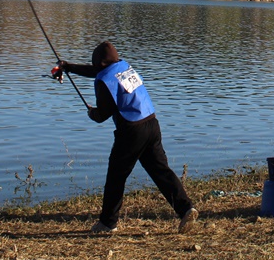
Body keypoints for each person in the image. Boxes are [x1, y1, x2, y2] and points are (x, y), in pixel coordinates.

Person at [57, 41, 198, 234]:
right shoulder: (123, 66)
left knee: (116, 176)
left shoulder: (104, 81)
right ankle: (186, 209)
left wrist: (92, 113)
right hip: (151, 123)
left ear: (100, 62)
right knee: (161, 171)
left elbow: (103, 114)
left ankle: (107, 223)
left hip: (132, 131)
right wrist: (68, 67)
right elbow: (97, 71)